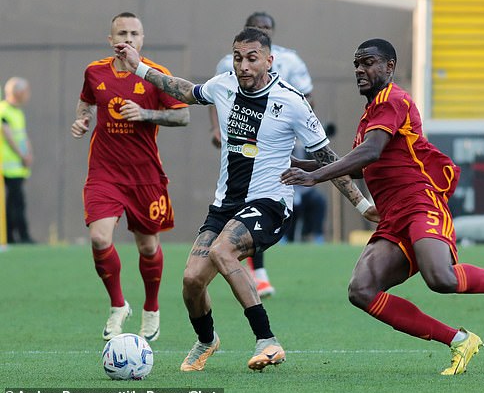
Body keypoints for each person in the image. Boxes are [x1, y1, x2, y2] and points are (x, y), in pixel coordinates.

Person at [281, 38, 484, 375]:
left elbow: (369, 153)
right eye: (357, 63)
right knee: (361, 290)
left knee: (440, 278)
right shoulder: (370, 115)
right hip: (392, 218)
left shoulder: (393, 100)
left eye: (368, 62)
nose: (360, 69)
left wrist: (316, 177)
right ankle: (459, 340)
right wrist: (298, 163)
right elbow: (360, 165)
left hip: (420, 203)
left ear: (390, 67)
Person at [114, 27, 378, 372]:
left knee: (224, 251)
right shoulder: (223, 85)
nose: (243, 65)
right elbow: (185, 90)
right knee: (192, 280)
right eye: (238, 57)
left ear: (269, 60)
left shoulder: (292, 101)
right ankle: (207, 340)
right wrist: (139, 68)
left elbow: (331, 160)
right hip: (226, 204)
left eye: (252, 58)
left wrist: (362, 204)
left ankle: (267, 340)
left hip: (270, 204)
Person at [70, 12, 190, 343]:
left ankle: (151, 308)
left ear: (142, 39)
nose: (128, 38)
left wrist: (146, 114)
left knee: (148, 246)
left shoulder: (155, 75)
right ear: (111, 40)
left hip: (144, 175)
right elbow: (85, 103)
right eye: (121, 32)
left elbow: (184, 116)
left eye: (134, 33)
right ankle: (118, 304)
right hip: (104, 172)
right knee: (99, 238)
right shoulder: (94, 71)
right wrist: (82, 121)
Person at [210, 11, 316, 297]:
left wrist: (303, 132)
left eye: (266, 27)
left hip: (280, 142)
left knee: (271, 199)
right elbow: (212, 96)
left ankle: (261, 269)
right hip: (242, 145)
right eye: (255, 27)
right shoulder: (227, 64)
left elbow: (307, 97)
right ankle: (257, 273)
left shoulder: (289, 62)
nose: (261, 30)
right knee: (245, 198)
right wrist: (216, 130)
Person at [1, 77, 34, 244]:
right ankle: (20, 236)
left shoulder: (17, 112)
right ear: (18, 92)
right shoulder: (3, 111)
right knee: (15, 203)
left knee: (14, 202)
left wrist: (29, 153)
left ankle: (12, 237)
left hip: (17, 166)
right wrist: (22, 155)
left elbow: (22, 135)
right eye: (26, 91)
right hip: (7, 166)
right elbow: (8, 137)